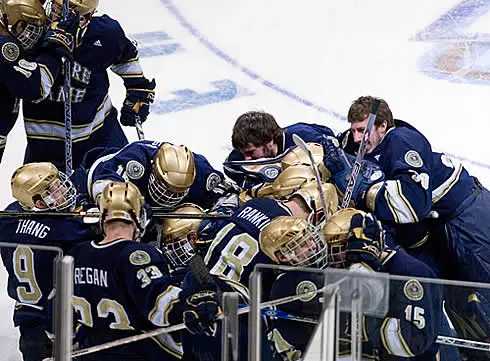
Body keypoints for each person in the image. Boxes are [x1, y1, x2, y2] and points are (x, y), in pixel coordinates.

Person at [323, 96, 490, 358]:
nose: (356, 138)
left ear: (383, 126)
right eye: (353, 130)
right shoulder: (359, 141)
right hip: (443, 226)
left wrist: (364, 189)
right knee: (462, 303)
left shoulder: (402, 140)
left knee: (482, 299)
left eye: (362, 131)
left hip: (470, 219)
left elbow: (412, 205)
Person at [260, 209, 461, 361]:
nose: (329, 256)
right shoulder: (291, 282)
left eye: (337, 250)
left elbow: (407, 342)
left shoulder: (411, 273)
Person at [68, 181, 222, 360]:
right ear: (138, 215)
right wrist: (189, 307)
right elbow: (159, 305)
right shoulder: (137, 254)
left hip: (92, 354)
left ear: (103, 216)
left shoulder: (77, 253)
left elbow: (56, 317)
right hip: (140, 353)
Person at [19, 0, 156, 169]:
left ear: (87, 17)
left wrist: (137, 87)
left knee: (119, 188)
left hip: (101, 134)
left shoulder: (105, 34)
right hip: (45, 144)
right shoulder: (28, 33)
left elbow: (126, 54)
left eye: (63, 12)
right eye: (54, 7)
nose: (55, 17)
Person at [0, 162, 96, 361]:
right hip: (55, 320)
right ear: (39, 204)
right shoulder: (65, 231)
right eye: (53, 190)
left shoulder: (8, 218)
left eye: (59, 182)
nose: (63, 188)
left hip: (27, 321)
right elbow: (86, 227)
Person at [0, 0, 80, 162]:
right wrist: (53, 50)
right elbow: (36, 88)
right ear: (18, 25)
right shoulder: (4, 47)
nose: (35, 36)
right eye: (31, 30)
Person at [87, 140, 233, 210]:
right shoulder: (134, 160)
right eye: (165, 186)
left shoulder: (202, 172)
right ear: (153, 167)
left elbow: (227, 196)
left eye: (177, 191)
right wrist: (129, 208)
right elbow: (104, 185)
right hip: (99, 169)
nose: (169, 195)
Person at [223, 110, 335, 187]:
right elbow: (230, 168)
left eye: (251, 152)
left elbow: (334, 148)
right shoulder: (240, 155)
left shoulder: (304, 137)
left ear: (269, 141)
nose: (247, 159)